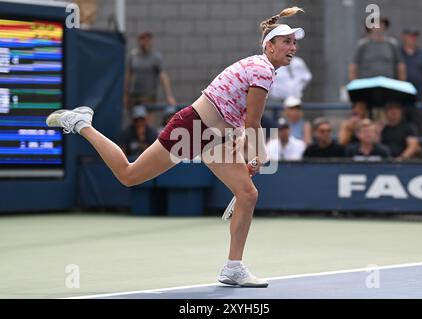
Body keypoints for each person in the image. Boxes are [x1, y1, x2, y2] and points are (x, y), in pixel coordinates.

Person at [46, 7, 306, 288]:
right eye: (286, 42)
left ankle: (233, 267)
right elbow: (254, 121)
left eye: (294, 42)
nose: (292, 47)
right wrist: (260, 155)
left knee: (247, 194)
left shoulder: (261, 67)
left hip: (213, 137)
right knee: (128, 175)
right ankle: (83, 124)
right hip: (192, 128)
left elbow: (240, 117)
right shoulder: (262, 69)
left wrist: (243, 143)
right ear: (269, 46)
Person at [123, 31, 177, 126]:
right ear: (139, 41)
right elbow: (128, 76)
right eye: (144, 40)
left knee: (147, 123)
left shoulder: (155, 58)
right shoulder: (133, 56)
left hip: (148, 97)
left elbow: (163, 77)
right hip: (134, 96)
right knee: (135, 123)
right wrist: (126, 95)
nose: (146, 43)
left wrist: (169, 96)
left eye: (148, 40)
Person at [401, 28, 422, 104]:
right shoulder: (398, 52)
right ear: (404, 37)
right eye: (410, 36)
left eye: (415, 36)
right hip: (401, 95)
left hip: (419, 95)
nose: (413, 38)